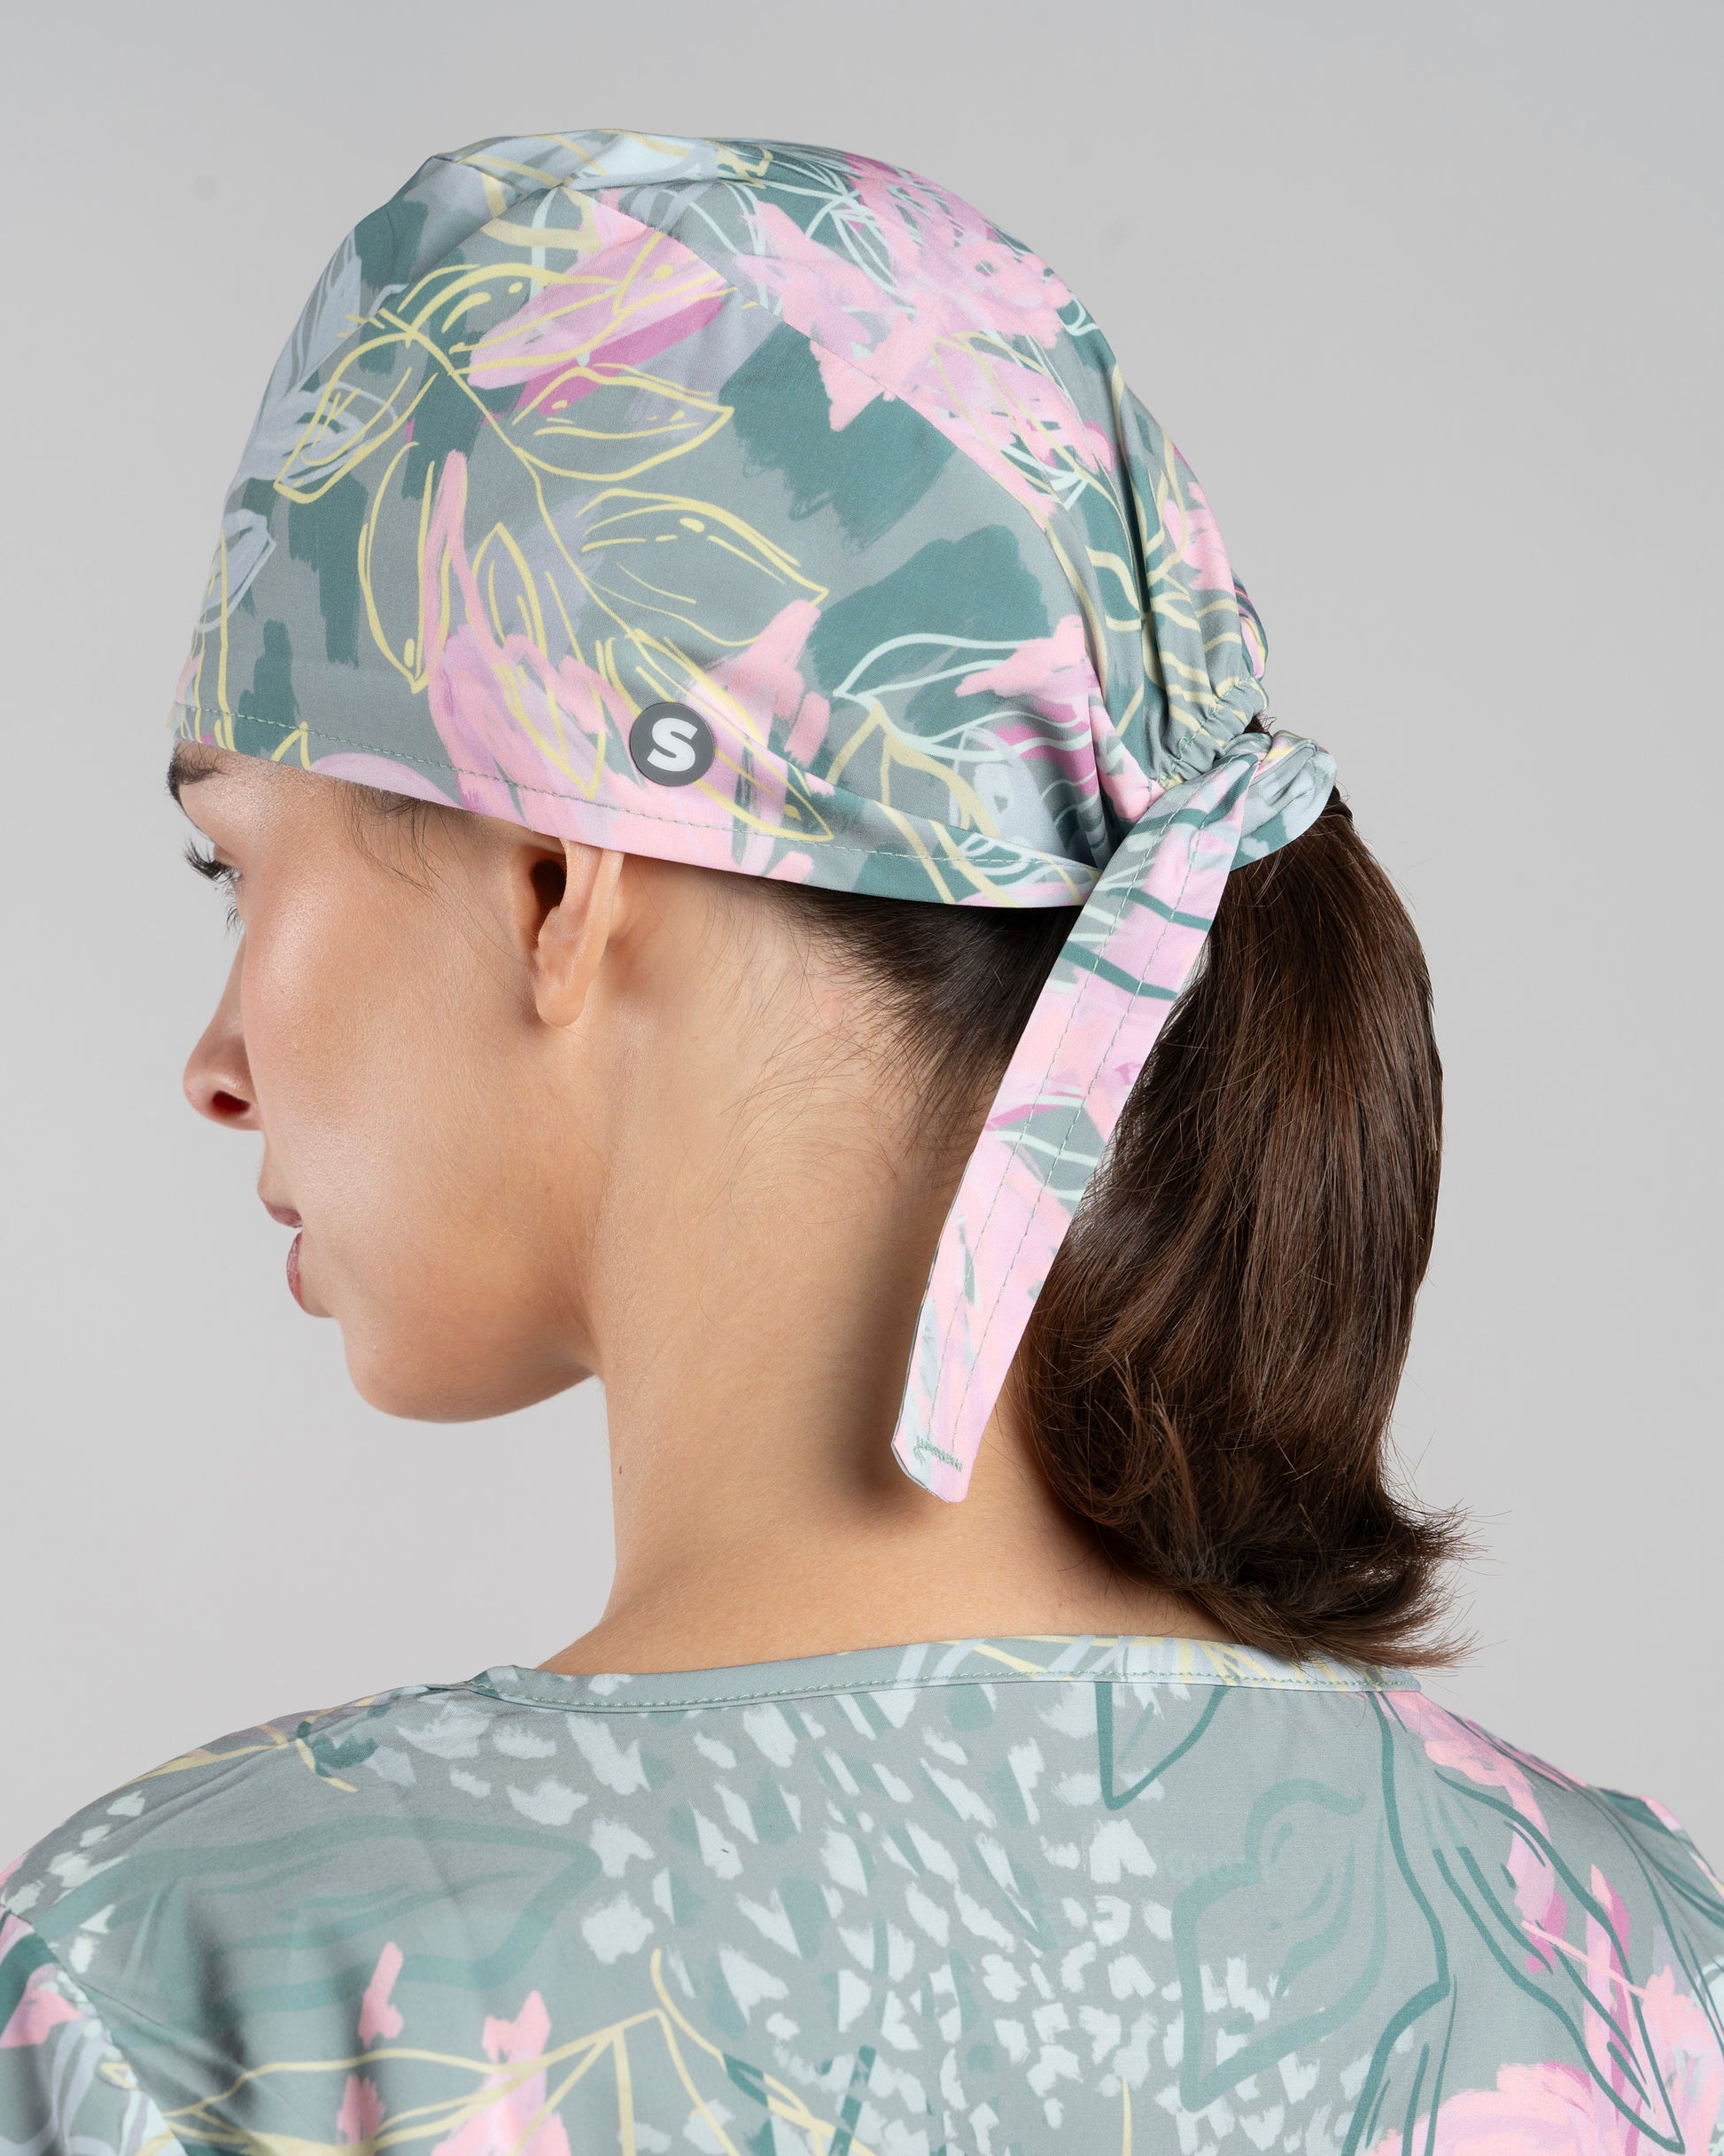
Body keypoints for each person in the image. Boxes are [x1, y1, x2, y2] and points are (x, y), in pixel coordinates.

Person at [3, 129, 1719, 2156]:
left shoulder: (208, 1999)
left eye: (233, 867)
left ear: (552, 875)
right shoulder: (1637, 1970)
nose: (215, 1062)